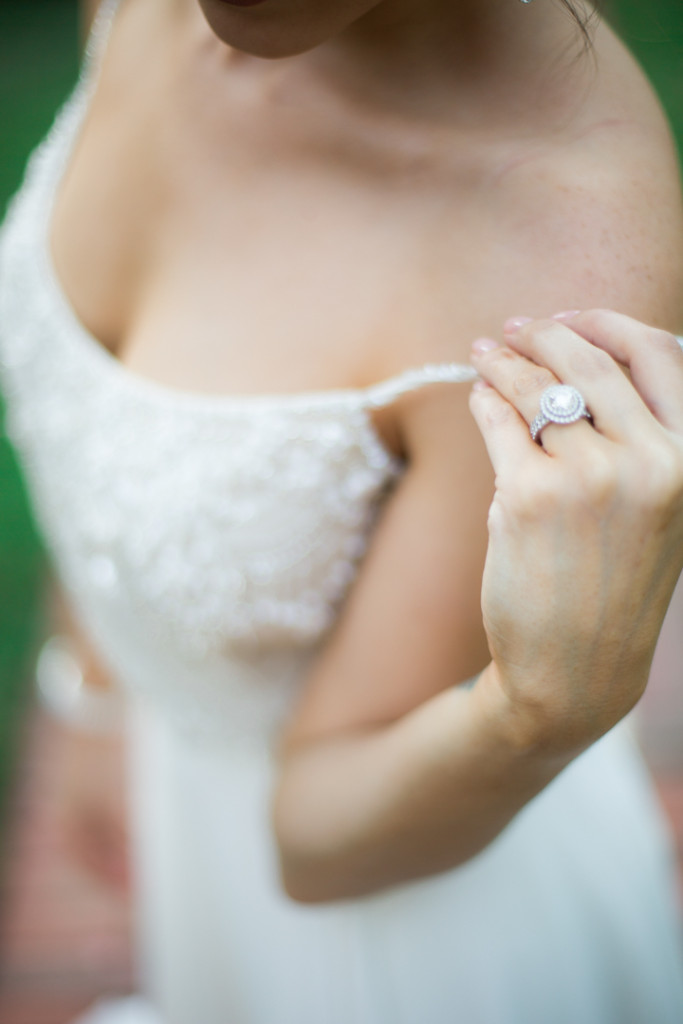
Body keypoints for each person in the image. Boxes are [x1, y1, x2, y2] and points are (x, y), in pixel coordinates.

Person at [0, 0, 682, 1020]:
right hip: (190, 831)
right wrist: (92, 683)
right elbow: (97, 419)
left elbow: (321, 844)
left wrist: (534, 716)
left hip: (407, 939)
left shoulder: (551, 251)